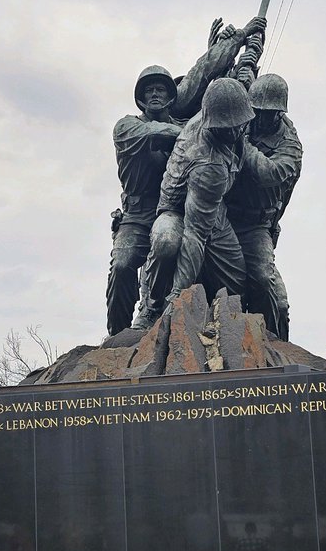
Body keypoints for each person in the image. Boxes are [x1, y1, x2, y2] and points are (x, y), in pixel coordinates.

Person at [106, 17, 266, 335]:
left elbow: (202, 74)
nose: (154, 94)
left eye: (160, 89)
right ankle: (121, 333)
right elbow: (158, 132)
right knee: (124, 264)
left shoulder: (189, 118)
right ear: (139, 97)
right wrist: (192, 130)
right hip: (139, 216)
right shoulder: (127, 127)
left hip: (181, 209)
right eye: (148, 90)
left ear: (170, 94)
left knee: (188, 248)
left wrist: (238, 45)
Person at [131, 78, 253, 330]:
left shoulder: (220, 109)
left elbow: (237, 83)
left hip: (214, 208)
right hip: (177, 211)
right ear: (215, 124)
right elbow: (195, 235)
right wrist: (179, 297)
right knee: (166, 241)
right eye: (228, 127)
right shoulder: (209, 164)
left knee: (236, 285)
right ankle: (152, 307)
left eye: (239, 124)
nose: (235, 131)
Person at [224, 73, 302, 339]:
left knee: (265, 283)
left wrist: (241, 144)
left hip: (256, 224)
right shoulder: (244, 120)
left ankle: (273, 345)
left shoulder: (289, 145)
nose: (260, 118)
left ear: (279, 113)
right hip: (223, 218)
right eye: (256, 111)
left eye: (268, 113)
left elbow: (269, 173)